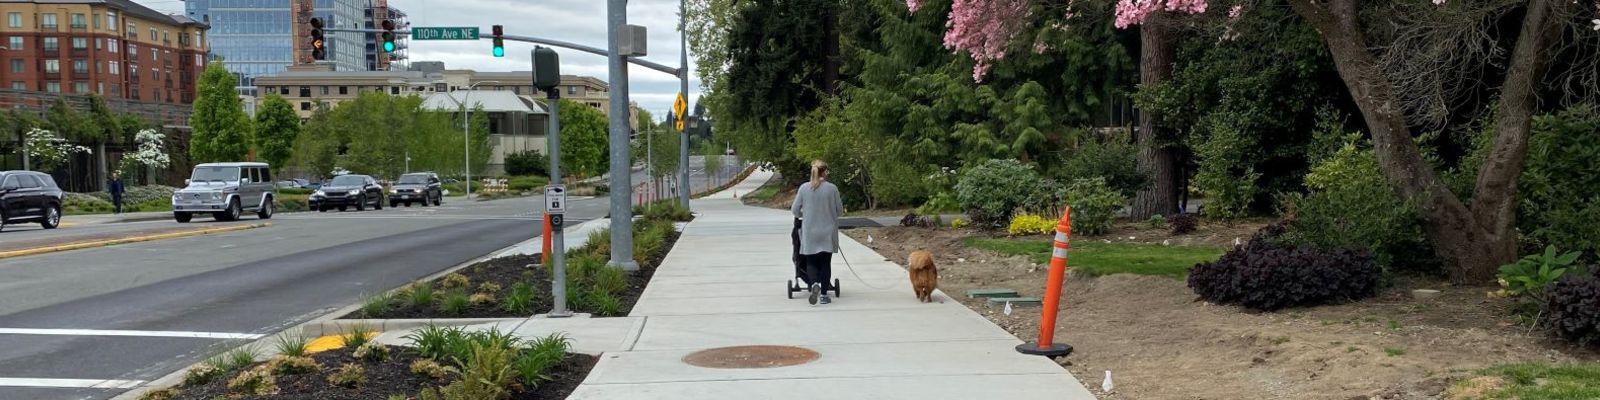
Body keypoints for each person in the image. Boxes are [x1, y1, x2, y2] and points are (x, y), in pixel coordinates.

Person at [791, 160, 844, 305]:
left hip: (809, 231)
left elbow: (795, 210)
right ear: (825, 172)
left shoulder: (804, 188)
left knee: (811, 261)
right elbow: (839, 210)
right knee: (825, 262)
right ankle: (824, 295)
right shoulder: (832, 189)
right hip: (827, 231)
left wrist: (806, 213)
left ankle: (814, 284)